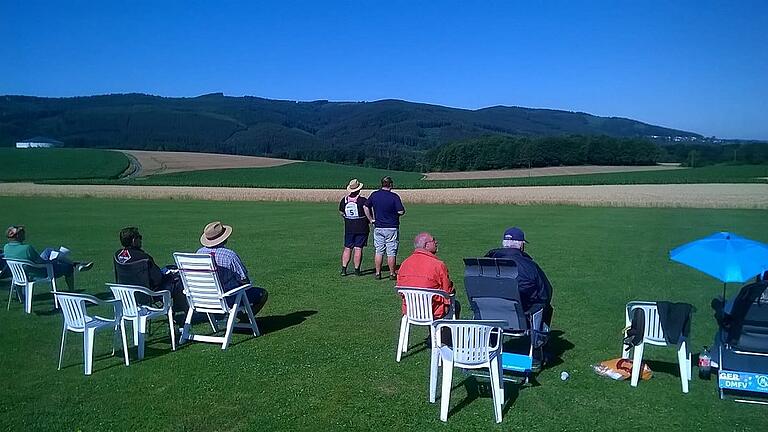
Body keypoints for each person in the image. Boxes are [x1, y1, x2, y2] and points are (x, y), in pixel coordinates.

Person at [196, 221, 268, 314]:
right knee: (262, 293)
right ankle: (246, 319)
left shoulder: (199, 253)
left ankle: (237, 318)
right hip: (227, 298)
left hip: (204, 298)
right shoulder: (229, 255)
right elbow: (243, 279)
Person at [485, 227, 553, 324]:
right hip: (520, 314)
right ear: (521, 245)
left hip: (488, 311)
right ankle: (539, 338)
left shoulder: (485, 263)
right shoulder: (529, 265)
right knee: (544, 305)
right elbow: (546, 292)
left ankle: (491, 337)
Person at [3, 225, 93, 292]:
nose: (24, 233)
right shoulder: (27, 248)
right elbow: (42, 263)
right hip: (40, 272)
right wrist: (54, 260)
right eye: (22, 232)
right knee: (67, 267)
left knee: (48, 250)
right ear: (17, 236)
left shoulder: (6, 247)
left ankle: (77, 264)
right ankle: (73, 282)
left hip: (20, 274)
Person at [114, 226, 185, 307]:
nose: (141, 240)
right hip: (147, 295)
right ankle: (181, 310)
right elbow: (157, 279)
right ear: (134, 240)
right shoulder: (143, 257)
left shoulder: (117, 255)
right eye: (139, 237)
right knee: (178, 280)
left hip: (126, 295)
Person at [396, 232, 459, 320]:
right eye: (433, 240)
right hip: (433, 311)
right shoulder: (438, 265)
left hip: (410, 310)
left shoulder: (404, 264)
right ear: (426, 245)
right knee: (455, 304)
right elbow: (447, 291)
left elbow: (400, 289)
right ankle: (442, 333)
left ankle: (435, 333)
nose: (436, 242)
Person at [364, 176, 405, 280]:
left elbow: (365, 206)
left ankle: (378, 273)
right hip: (391, 227)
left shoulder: (374, 195)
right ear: (390, 184)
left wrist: (371, 219)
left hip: (378, 227)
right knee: (391, 252)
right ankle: (392, 273)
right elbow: (400, 211)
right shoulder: (394, 196)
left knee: (379, 251)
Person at [338, 179, 370, 276]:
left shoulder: (344, 200)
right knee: (358, 248)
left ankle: (344, 269)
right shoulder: (363, 201)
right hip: (361, 227)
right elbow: (367, 211)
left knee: (347, 248)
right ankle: (357, 270)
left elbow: (341, 212)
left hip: (349, 228)